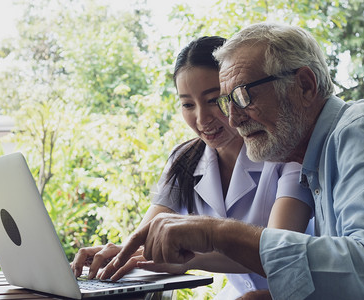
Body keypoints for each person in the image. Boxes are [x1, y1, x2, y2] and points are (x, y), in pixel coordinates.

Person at [98, 23, 364, 299]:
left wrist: (218, 234)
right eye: (227, 101)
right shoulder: (318, 160)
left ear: (304, 85)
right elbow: (358, 279)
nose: (233, 118)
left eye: (242, 95)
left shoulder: (361, 130)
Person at [71, 35, 314, 299]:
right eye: (187, 104)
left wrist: (188, 258)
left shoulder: (283, 150)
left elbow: (279, 251)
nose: (201, 119)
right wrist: (117, 253)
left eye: (213, 100)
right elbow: (148, 238)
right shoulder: (185, 159)